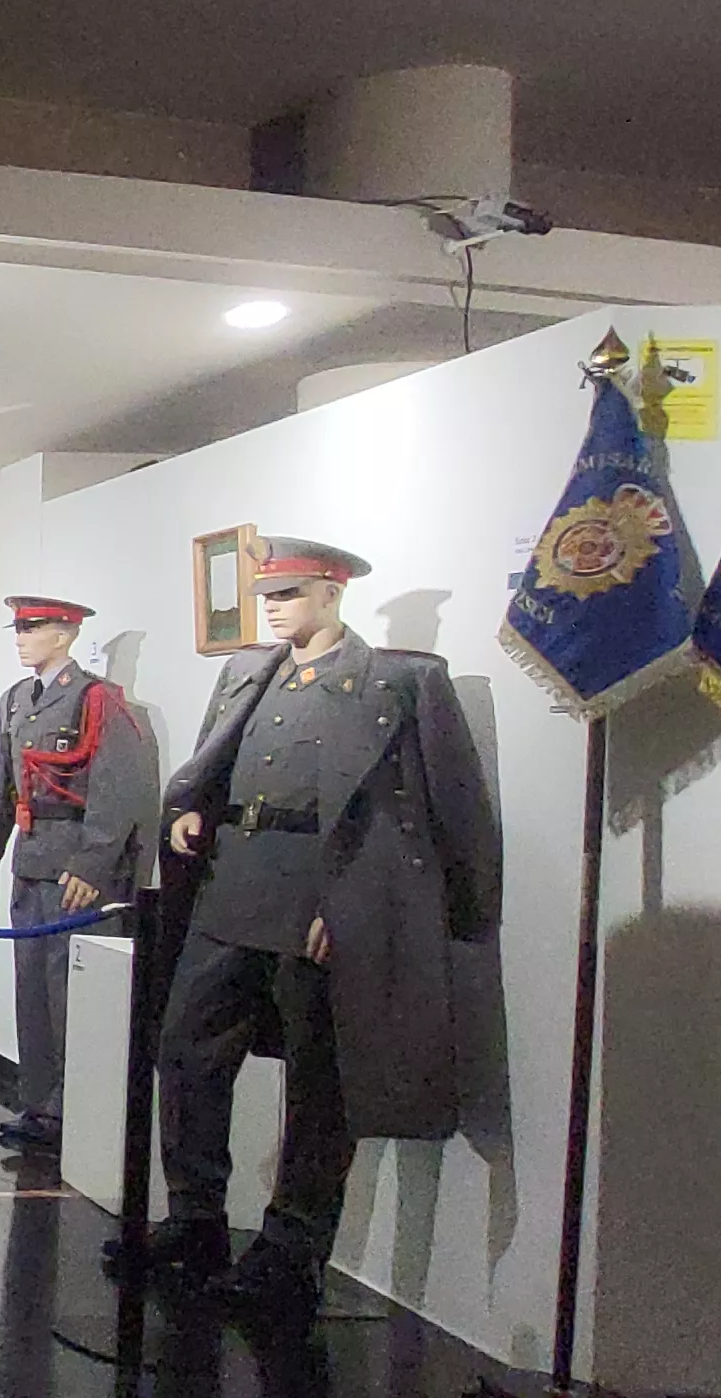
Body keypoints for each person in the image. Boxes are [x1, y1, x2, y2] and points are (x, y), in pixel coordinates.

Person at [143, 537, 500, 1329]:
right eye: (268, 595)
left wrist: (369, 910)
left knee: (320, 1083)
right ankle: (195, 1216)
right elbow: (216, 764)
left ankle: (290, 1250)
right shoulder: (248, 673)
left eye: (290, 593)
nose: (272, 606)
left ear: (333, 594)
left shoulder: (394, 684)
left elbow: (448, 808)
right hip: (234, 881)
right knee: (188, 1049)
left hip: (317, 894)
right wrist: (193, 809)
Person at [0, 596, 156, 1156]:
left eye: (32, 627)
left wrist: (93, 864)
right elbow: (5, 788)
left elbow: (119, 790)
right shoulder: (16, 701)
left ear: (65, 634)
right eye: (18, 627)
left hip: (75, 868)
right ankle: (40, 1102)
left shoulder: (97, 701)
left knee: (72, 992)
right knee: (33, 990)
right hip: (32, 858)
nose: (20, 637)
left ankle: (77, 1109)